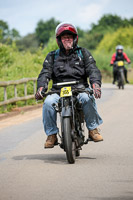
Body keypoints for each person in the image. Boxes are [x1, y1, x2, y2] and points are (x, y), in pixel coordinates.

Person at [35, 22, 103, 148]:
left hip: (80, 87)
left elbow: (93, 70)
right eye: (64, 37)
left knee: (87, 98)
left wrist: (96, 85)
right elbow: (45, 73)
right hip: (58, 90)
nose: (67, 39)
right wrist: (41, 88)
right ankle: (52, 135)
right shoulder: (52, 56)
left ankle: (93, 129)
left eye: (70, 37)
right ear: (59, 40)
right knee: (48, 103)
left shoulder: (83, 53)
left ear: (75, 38)